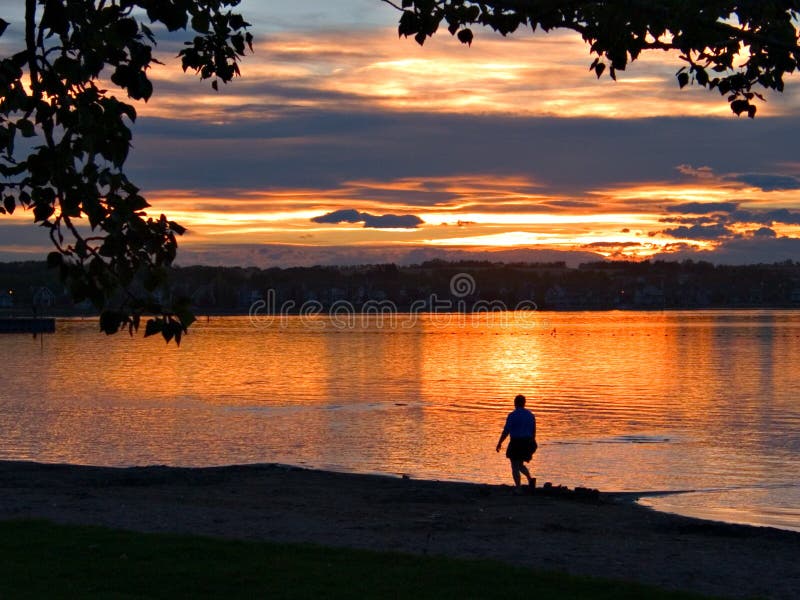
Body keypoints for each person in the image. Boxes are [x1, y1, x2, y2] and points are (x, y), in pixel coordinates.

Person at [496, 394, 537, 491]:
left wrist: (500, 443)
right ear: (524, 403)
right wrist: (532, 442)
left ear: (515, 403)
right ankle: (530, 479)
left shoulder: (512, 415)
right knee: (520, 465)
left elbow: (506, 431)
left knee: (515, 466)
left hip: (516, 442)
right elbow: (533, 431)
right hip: (527, 441)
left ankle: (518, 488)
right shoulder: (530, 415)